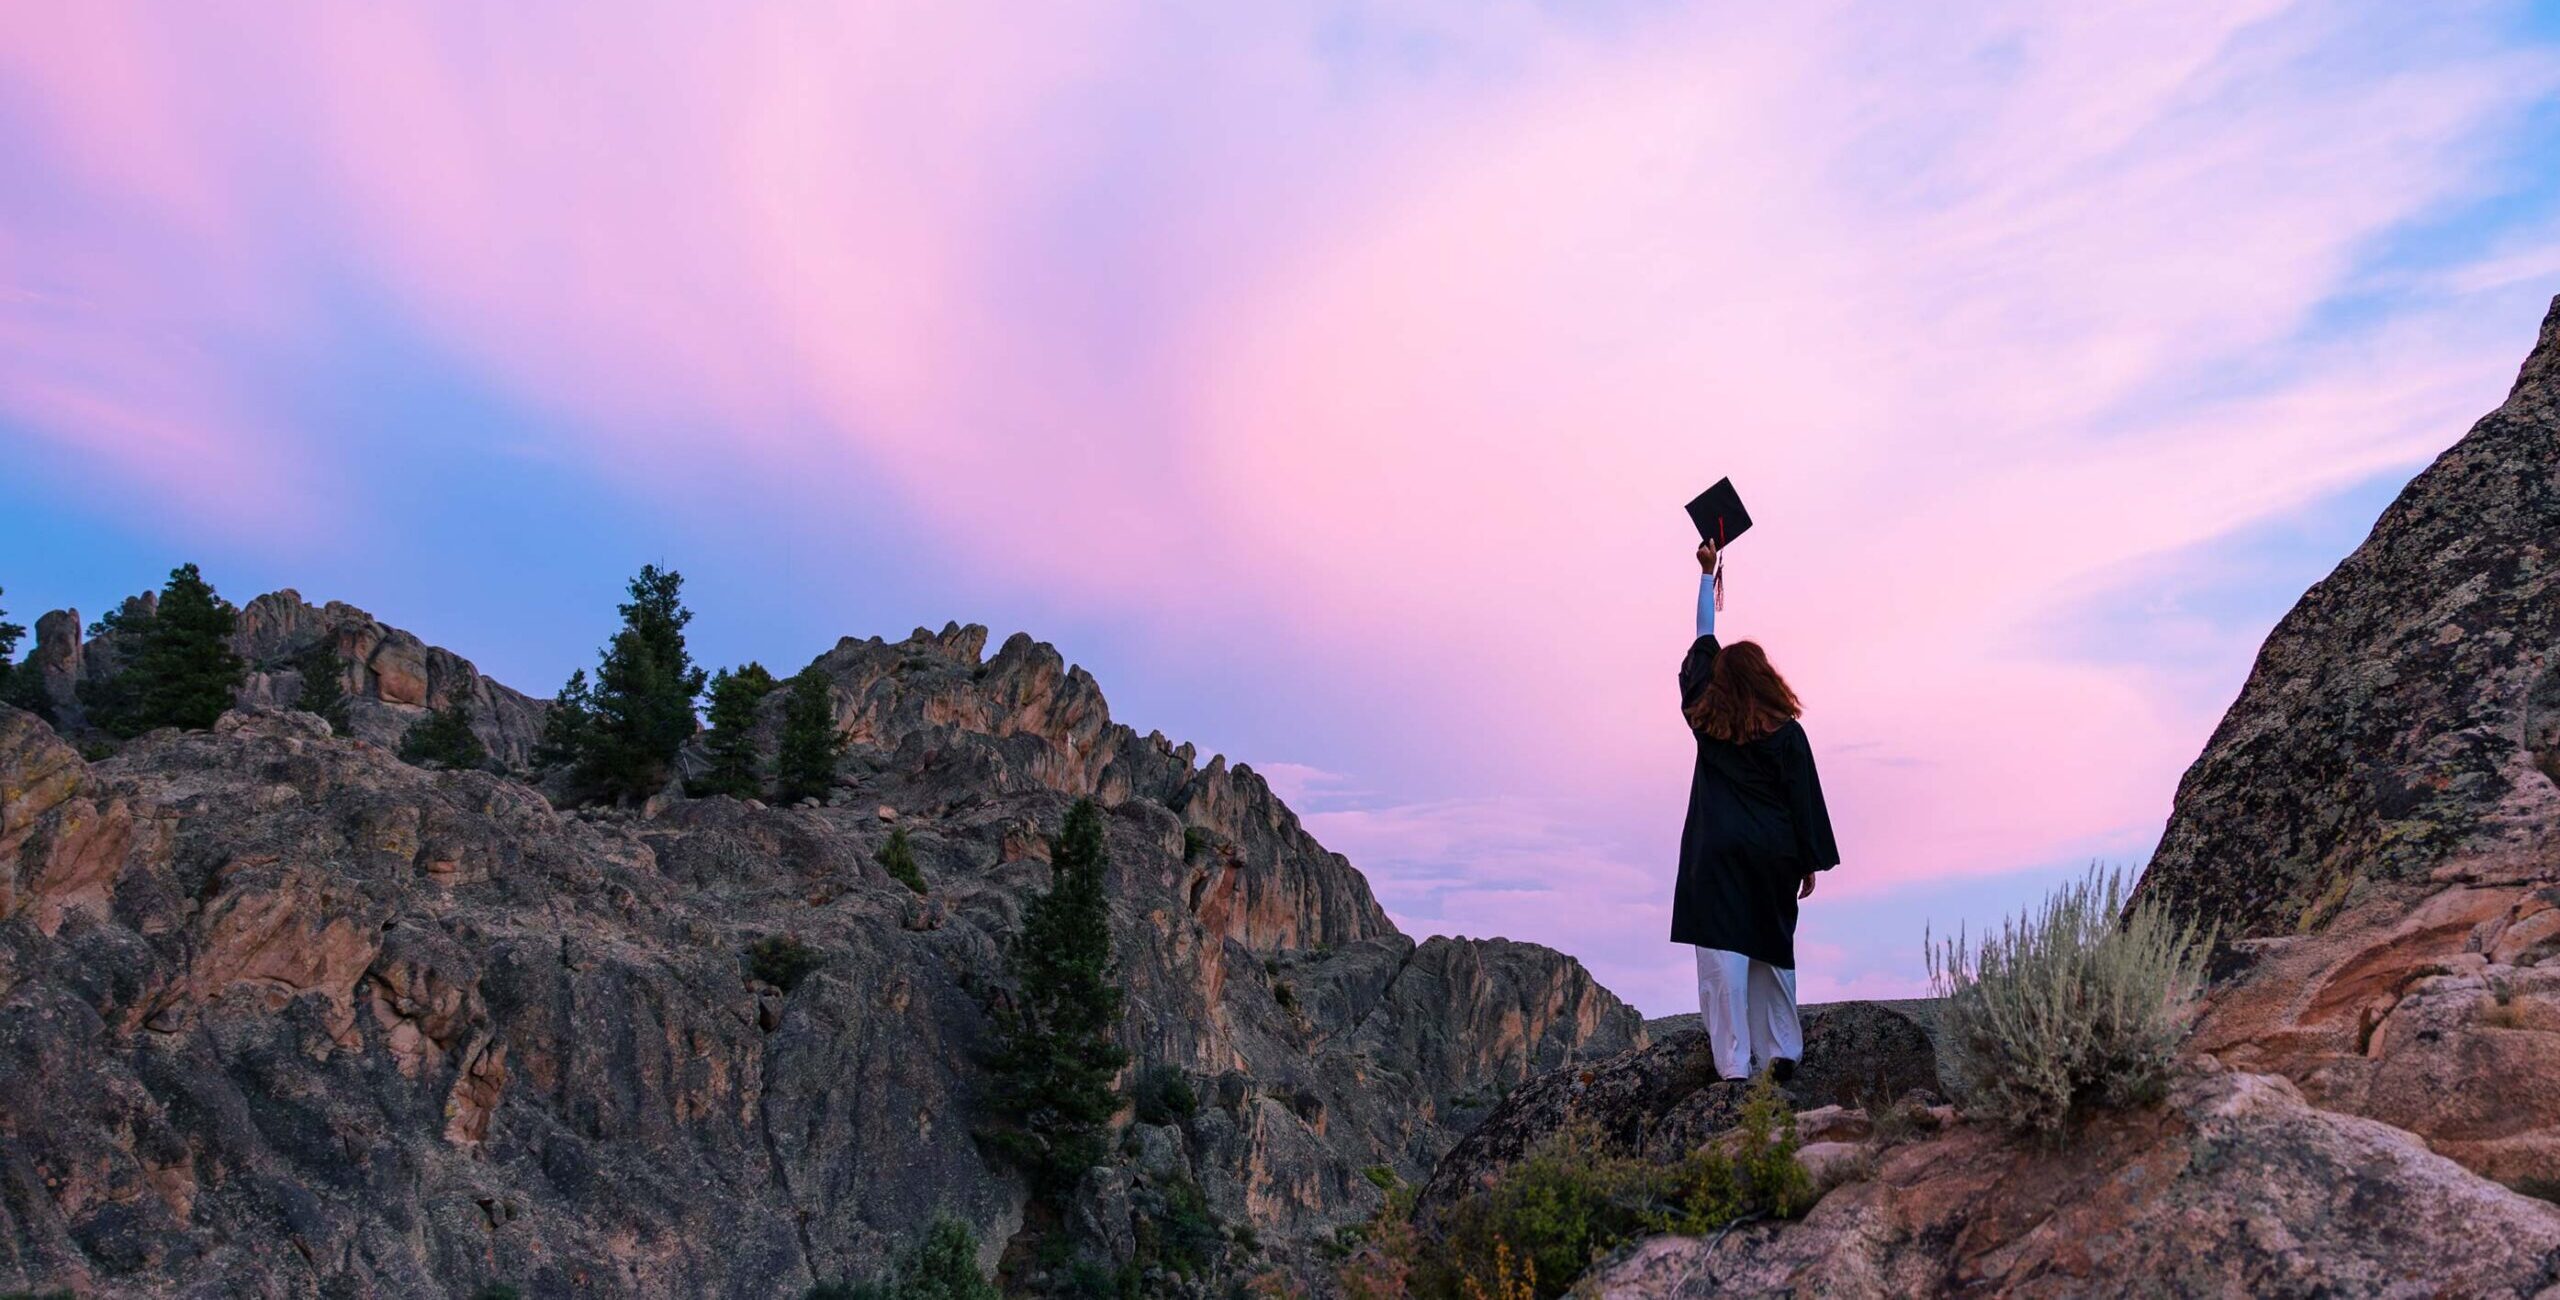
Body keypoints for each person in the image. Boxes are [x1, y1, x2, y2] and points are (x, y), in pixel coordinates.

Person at [1673, 539, 1839, 1083]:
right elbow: (1804, 799)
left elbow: (1702, 642)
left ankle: (1732, 1066)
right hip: (1772, 856)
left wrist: (1706, 575)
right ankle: (1781, 1052)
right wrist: (1809, 861)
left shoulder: (1707, 723)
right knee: (1770, 954)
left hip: (1717, 856)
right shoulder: (1787, 736)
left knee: (1722, 963)